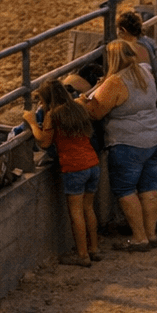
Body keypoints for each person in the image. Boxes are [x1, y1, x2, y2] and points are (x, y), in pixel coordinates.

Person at [82, 40, 157, 252]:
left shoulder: (116, 82)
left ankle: (139, 238)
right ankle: (151, 234)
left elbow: (96, 112)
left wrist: (84, 100)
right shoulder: (146, 72)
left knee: (126, 189)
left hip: (129, 143)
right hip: (155, 137)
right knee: (149, 186)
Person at [23, 79, 100, 266]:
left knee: (76, 212)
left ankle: (82, 256)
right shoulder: (77, 107)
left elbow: (44, 141)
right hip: (92, 163)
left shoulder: (52, 115)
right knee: (88, 208)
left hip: (74, 167)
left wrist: (32, 122)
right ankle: (94, 249)